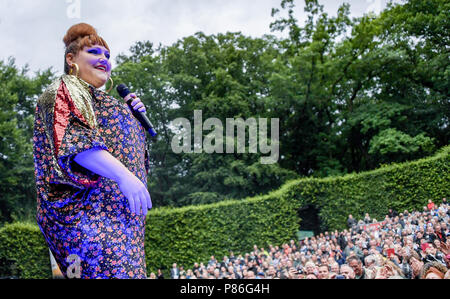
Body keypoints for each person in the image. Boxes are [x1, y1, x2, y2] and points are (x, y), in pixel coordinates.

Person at [33, 23, 152, 279]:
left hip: (123, 225)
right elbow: (74, 142)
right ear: (71, 58)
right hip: (91, 221)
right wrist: (123, 176)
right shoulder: (62, 90)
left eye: (107, 55)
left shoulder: (107, 103)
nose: (104, 59)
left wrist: (132, 119)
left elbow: (132, 155)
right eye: (95, 52)